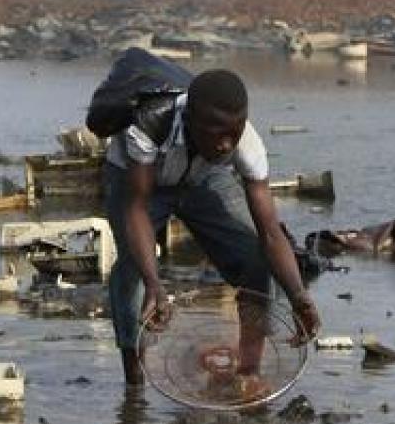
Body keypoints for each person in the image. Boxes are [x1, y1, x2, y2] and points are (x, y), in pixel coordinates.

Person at [103, 67, 320, 388]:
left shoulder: (246, 144)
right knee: (134, 268)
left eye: (234, 133)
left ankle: (248, 373)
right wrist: (154, 283)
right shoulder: (149, 124)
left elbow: (271, 233)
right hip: (139, 178)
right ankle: (134, 382)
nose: (226, 145)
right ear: (190, 120)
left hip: (202, 177)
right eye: (217, 134)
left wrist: (300, 297)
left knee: (256, 258)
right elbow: (137, 209)